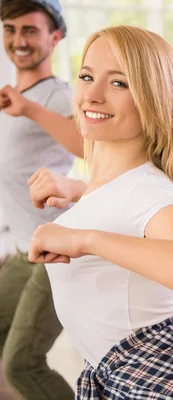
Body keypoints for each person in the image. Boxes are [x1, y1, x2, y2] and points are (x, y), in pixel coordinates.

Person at [26, 25, 173, 399]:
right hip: (121, 370)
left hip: (160, 376)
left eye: (119, 83)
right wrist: (80, 194)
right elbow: (125, 207)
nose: (91, 95)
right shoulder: (123, 186)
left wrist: (84, 239)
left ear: (154, 99)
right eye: (86, 76)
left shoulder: (148, 191)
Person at [0, 0, 82, 398]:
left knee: (22, 364)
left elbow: (88, 146)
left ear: (55, 37)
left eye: (30, 30)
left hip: (54, 253)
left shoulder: (59, 97)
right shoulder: (11, 97)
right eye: (10, 29)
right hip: (20, 248)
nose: (18, 40)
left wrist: (29, 108)